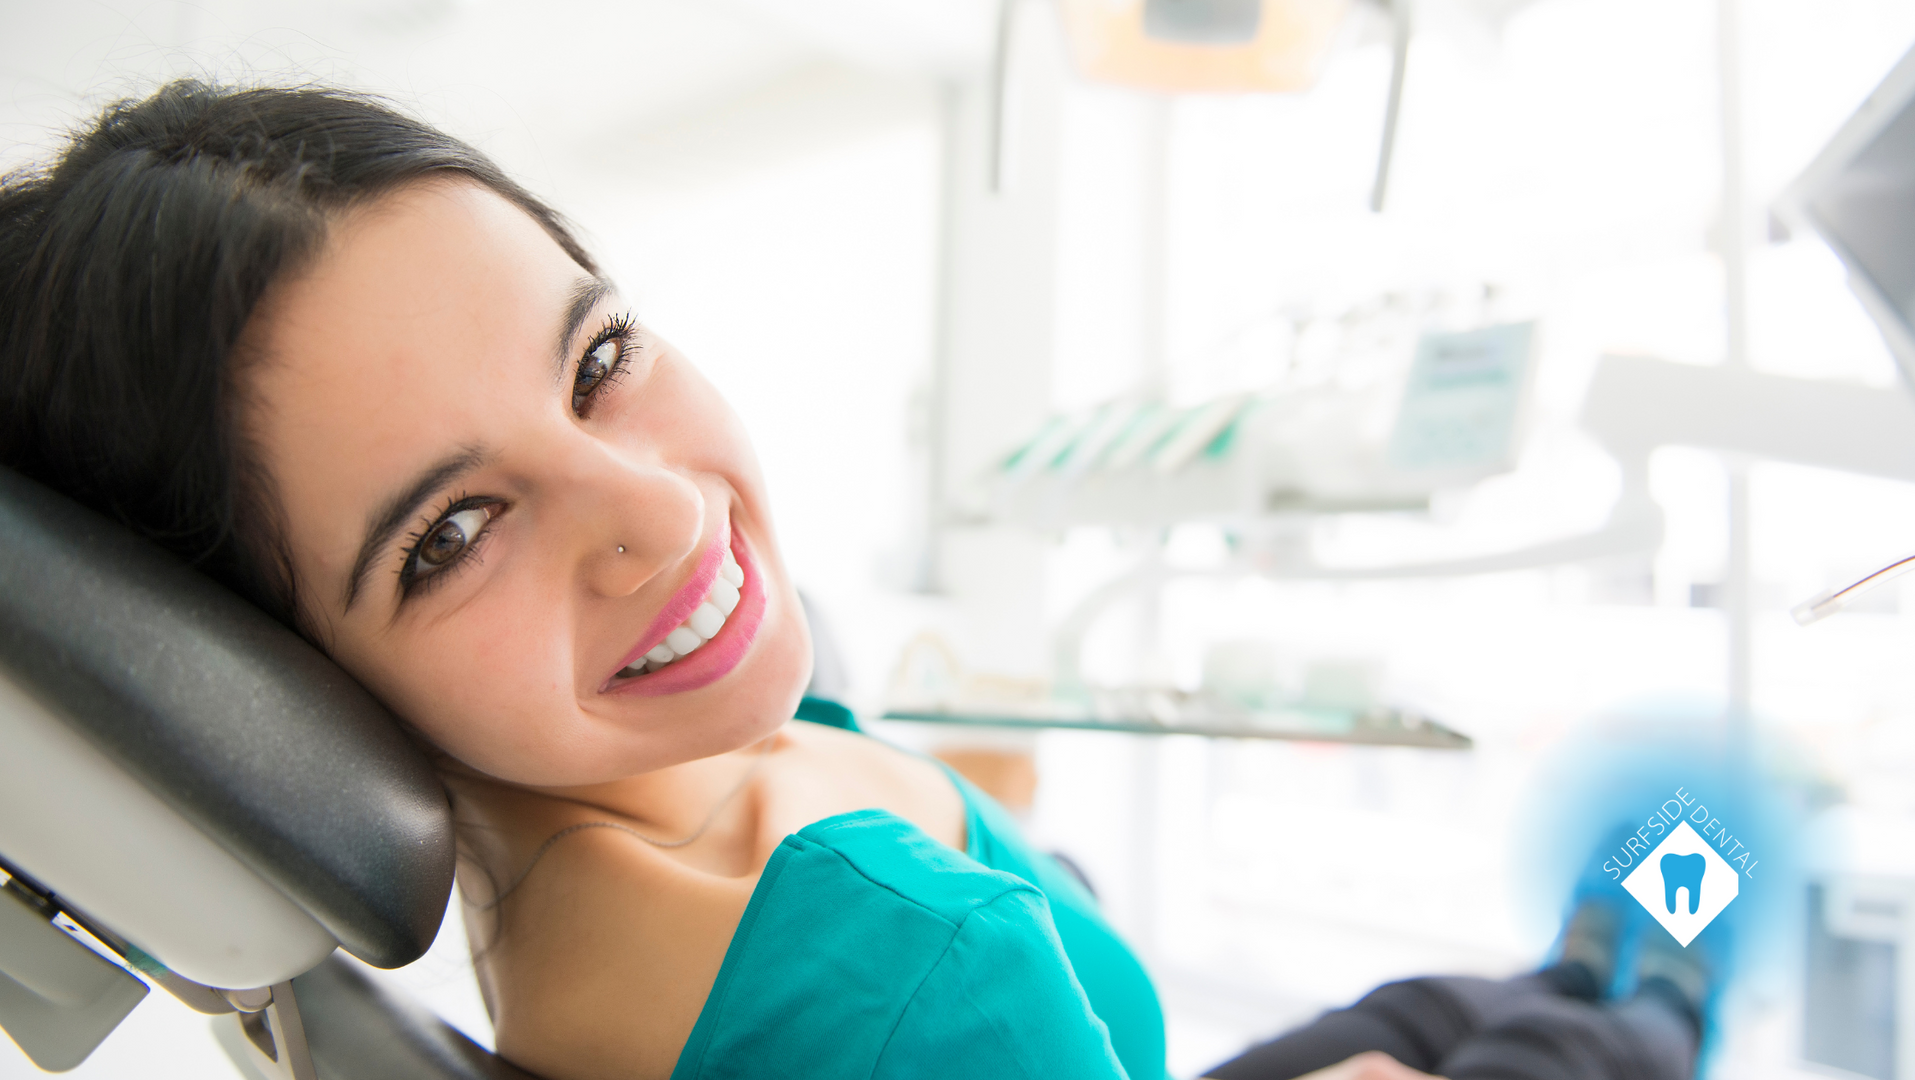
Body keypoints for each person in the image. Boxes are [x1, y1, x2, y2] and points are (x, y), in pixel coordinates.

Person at [0, 81, 1706, 1080]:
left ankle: (1612, 934)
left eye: (596, 361)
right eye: (452, 536)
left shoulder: (662, 787)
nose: (660, 516)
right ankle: (1663, 941)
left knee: (1474, 995)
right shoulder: (919, 983)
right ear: (278, 674)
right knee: (1604, 1021)